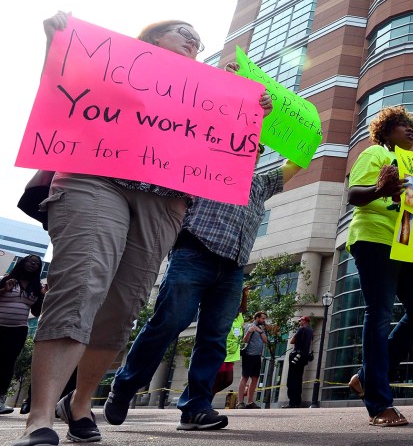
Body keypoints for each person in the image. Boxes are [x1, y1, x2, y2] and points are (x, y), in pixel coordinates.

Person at [9, 14, 224, 446]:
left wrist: (247, 112)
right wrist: (60, 46)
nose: (194, 41)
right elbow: (66, 90)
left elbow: (224, 147)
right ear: (151, 38)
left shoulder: (211, 90)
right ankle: (41, 419)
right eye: (184, 32)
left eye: (199, 41)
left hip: (164, 200)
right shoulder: (112, 63)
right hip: (95, 177)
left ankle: (80, 404)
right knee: (81, 283)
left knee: (123, 304)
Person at [104, 134, 297, 428]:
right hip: (193, 255)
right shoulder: (203, 169)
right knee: (168, 322)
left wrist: (305, 136)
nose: (252, 153)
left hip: (233, 268)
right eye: (245, 146)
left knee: (214, 339)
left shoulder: (259, 184)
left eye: (256, 149)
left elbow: (294, 164)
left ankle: (195, 407)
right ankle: (123, 388)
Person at [346, 106, 413, 427]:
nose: (409, 130)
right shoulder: (374, 154)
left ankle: (365, 377)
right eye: (401, 125)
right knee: (380, 313)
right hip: (375, 239)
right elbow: (354, 195)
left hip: (411, 245)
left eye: (412, 127)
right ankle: (379, 404)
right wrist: (379, 190)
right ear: (384, 131)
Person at [1, 256, 45, 415]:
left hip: (18, 330)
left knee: (7, 364)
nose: (33, 264)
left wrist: (43, 296)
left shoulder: (35, 287)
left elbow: (36, 312)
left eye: (37, 263)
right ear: (22, 263)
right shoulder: (7, 279)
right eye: (30, 261)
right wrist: (4, 289)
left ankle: (0, 399)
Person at [213, 286, 250, 401]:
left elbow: (243, 309)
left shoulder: (238, 319)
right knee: (218, 379)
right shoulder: (223, 319)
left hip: (231, 355)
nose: (238, 311)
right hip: (221, 353)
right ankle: (205, 400)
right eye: (235, 309)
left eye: (238, 310)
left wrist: (244, 295)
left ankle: (207, 396)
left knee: (228, 381)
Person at [238, 311, 268, 408]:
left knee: (255, 378)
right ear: (257, 318)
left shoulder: (261, 328)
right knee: (245, 377)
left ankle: (250, 402)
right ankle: (240, 402)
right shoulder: (249, 326)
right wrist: (250, 331)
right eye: (262, 318)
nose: (264, 320)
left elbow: (265, 341)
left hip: (257, 356)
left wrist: (260, 331)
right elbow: (245, 340)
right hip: (249, 355)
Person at [284, 316, 314, 408]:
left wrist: (296, 334)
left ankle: (292, 402)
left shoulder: (301, 329)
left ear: (304, 321)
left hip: (296, 356)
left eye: (300, 320)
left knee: (291, 380)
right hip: (303, 357)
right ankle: (297, 402)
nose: (299, 322)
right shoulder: (311, 331)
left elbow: (292, 341)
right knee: (298, 379)